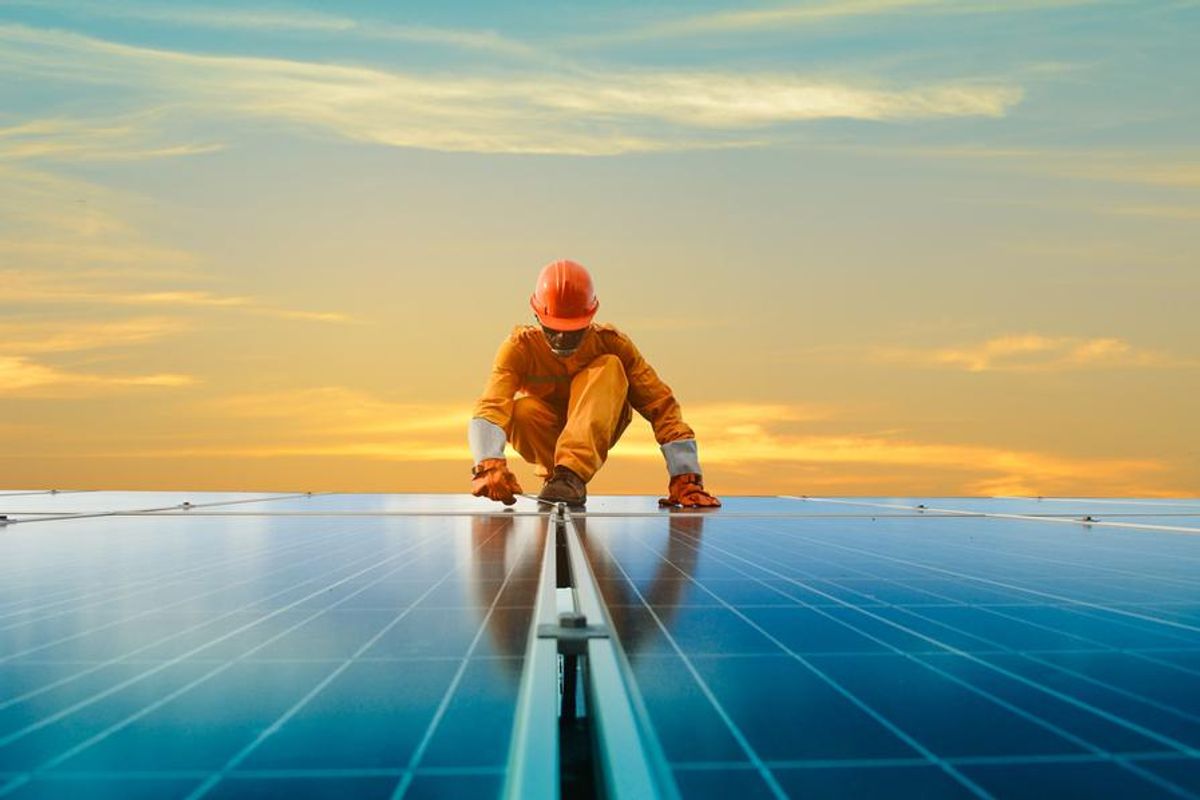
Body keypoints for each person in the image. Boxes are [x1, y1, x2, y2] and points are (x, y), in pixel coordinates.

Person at [468, 259, 721, 508]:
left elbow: (661, 405)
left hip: (600, 422)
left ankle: (570, 475)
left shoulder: (613, 344)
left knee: (610, 366)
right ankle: (559, 477)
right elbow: (491, 405)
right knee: (520, 410)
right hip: (548, 437)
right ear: (536, 316)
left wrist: (685, 476)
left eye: (573, 331)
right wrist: (487, 463)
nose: (561, 339)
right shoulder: (519, 349)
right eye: (553, 329)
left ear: (590, 317)